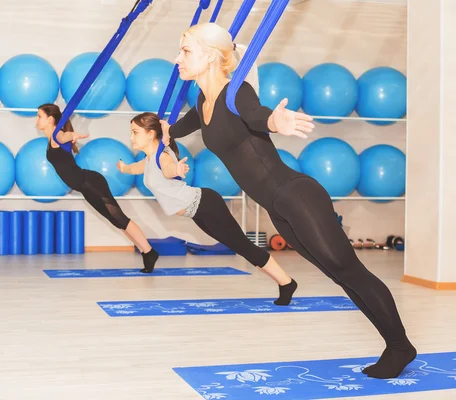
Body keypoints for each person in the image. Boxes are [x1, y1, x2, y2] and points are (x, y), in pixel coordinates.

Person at [160, 22, 416, 379]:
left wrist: (275, 121)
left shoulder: (237, 93)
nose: (177, 58)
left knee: (350, 270)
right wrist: (163, 132)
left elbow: (255, 114)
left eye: (185, 51)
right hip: (277, 207)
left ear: (211, 57)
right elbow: (183, 126)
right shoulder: (204, 101)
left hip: (295, 195)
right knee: (339, 275)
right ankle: (396, 346)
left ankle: (400, 346)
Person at [117, 112, 298, 305]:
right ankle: (285, 282)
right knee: (241, 246)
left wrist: (176, 171)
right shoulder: (150, 159)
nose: (131, 137)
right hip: (198, 211)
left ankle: (286, 283)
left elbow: (168, 169)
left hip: (206, 205)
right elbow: (137, 167)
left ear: (151, 134)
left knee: (244, 247)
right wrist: (124, 168)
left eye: (135, 132)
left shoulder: (162, 157)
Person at [36, 104, 159, 273]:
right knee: (116, 221)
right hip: (86, 187)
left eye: (39, 116)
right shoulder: (51, 139)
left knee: (120, 218)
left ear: (50, 119)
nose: (37, 120)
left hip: (91, 182)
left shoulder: (57, 134)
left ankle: (149, 251)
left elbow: (64, 136)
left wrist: (74, 135)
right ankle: (146, 252)